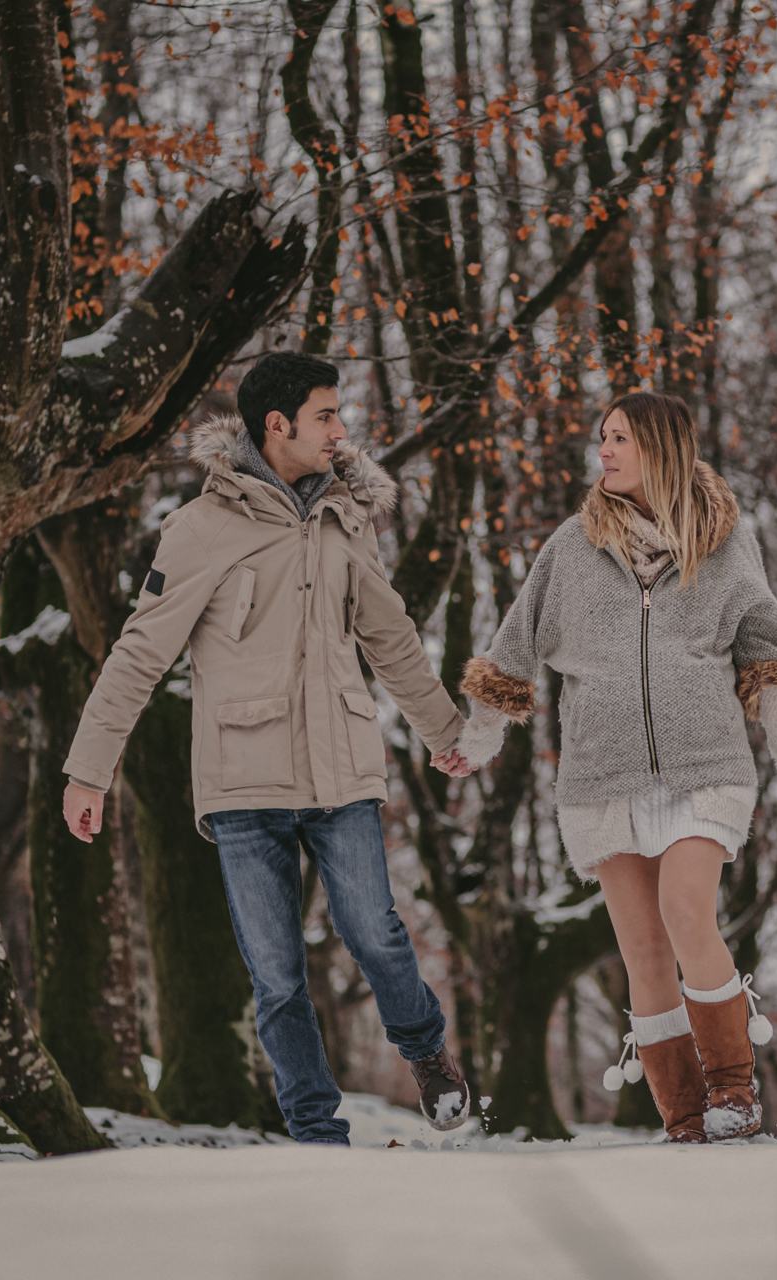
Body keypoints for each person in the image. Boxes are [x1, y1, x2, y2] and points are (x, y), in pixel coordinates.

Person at [60, 352, 474, 1145]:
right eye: (326, 415)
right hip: (244, 781)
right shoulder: (197, 531)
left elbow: (390, 638)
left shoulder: (348, 519)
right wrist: (89, 771)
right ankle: (316, 1130)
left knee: (375, 931)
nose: (341, 431)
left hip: (341, 769)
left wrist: (444, 733)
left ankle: (425, 1051)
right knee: (278, 975)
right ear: (275, 425)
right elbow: (139, 653)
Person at [438, 390, 777, 1143]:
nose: (604, 451)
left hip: (707, 767)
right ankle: (684, 1119)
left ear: (663, 449)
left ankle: (734, 1094)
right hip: (601, 780)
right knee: (642, 951)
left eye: (619, 438)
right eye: (602, 438)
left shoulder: (727, 546)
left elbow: (770, 667)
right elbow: (512, 657)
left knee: (687, 909)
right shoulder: (570, 549)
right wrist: (476, 742)